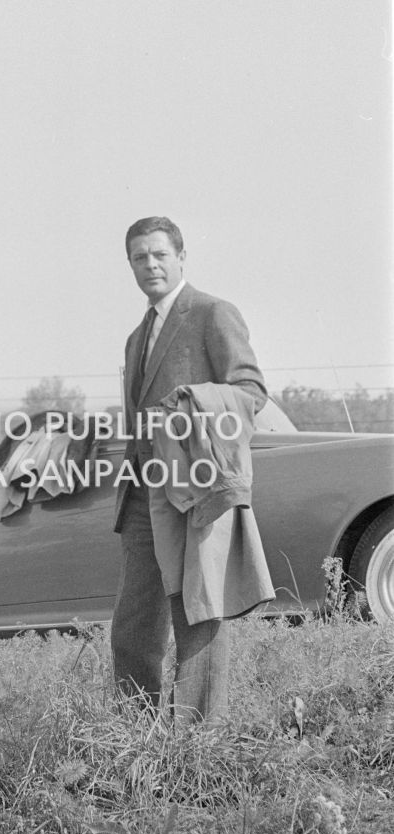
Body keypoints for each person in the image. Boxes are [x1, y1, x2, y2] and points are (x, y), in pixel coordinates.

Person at [111, 216, 268, 722]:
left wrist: (189, 407)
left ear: (181, 257)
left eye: (160, 254)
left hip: (195, 486)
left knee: (198, 613)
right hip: (143, 492)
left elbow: (250, 392)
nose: (150, 264)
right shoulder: (136, 337)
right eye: (139, 257)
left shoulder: (212, 313)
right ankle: (134, 736)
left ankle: (199, 743)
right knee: (132, 624)